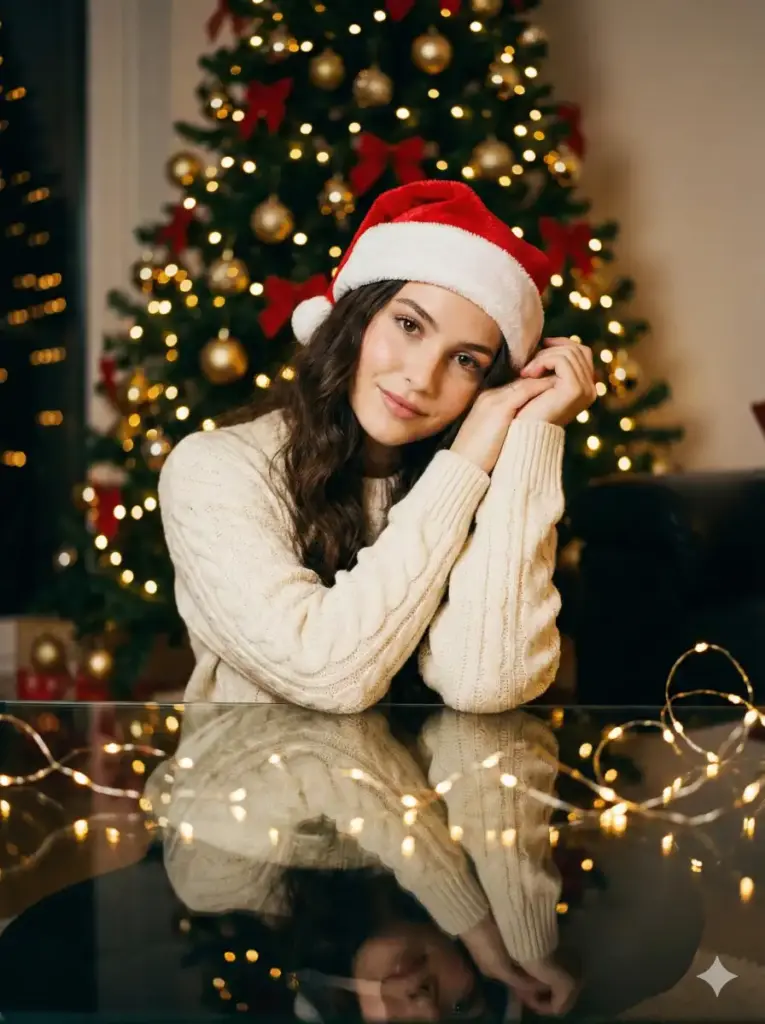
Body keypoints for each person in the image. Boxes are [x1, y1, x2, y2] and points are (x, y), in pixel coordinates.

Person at [158, 179, 597, 710]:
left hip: (424, 791)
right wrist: (461, 465)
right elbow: (325, 675)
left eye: (466, 361)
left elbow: (489, 684)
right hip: (254, 784)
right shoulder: (214, 468)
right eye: (409, 325)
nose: (421, 377)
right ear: (355, 318)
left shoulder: (475, 477)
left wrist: (531, 432)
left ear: (489, 386)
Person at [145, 702, 576, 1021]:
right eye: (463, 1005)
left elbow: (321, 743)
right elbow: (487, 737)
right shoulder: (458, 859)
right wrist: (522, 939)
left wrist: (465, 914)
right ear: (486, 970)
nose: (425, 1002)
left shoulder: (216, 881)